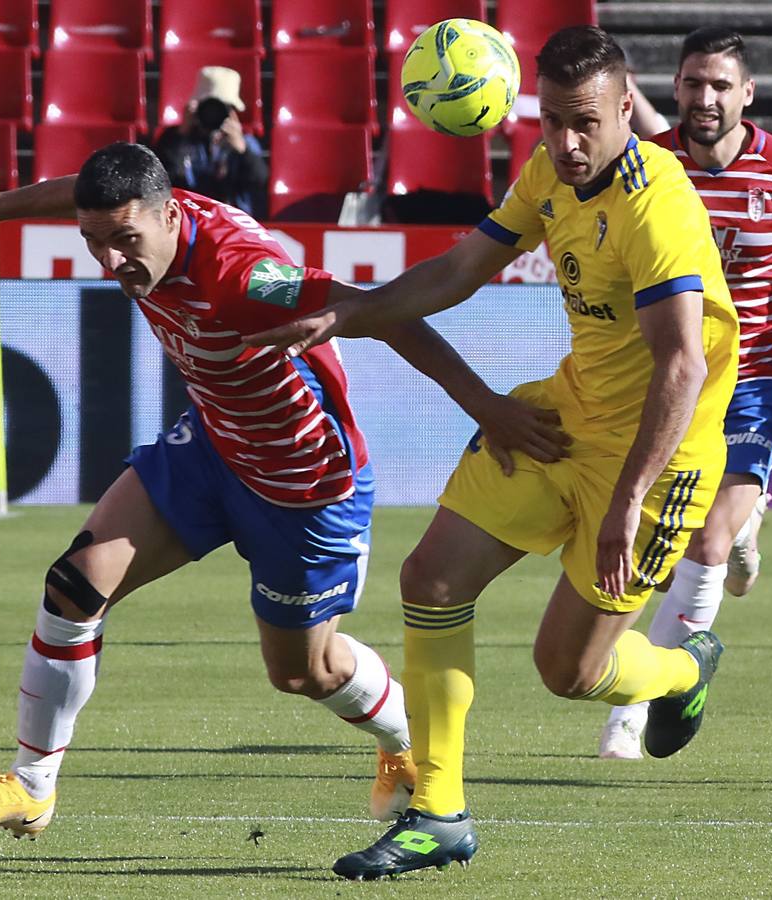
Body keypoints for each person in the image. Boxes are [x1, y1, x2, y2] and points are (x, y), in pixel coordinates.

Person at [245, 26, 740, 880]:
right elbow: (459, 270)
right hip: (564, 421)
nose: (565, 142)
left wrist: (627, 502)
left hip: (660, 463)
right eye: (550, 120)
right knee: (429, 579)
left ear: (628, 106)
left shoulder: (658, 202)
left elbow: (683, 366)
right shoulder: (551, 171)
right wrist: (347, 315)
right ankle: (438, 813)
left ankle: (681, 668)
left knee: (570, 672)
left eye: (584, 122)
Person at [0, 142, 439, 841]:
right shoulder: (138, 216)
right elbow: (79, 195)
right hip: (212, 447)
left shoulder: (247, 274)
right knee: (74, 585)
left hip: (303, 483)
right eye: (95, 242)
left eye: (125, 241)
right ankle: (31, 785)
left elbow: (382, 312)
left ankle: (404, 741)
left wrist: (492, 410)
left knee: (304, 672)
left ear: (170, 215)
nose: (112, 261)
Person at [599, 27, 772, 760]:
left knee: (704, 539)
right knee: (652, 541)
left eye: (721, 85)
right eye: (693, 84)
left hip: (751, 379)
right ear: (676, 90)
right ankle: (747, 526)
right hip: (664, 379)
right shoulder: (646, 167)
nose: (706, 98)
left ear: (747, 94)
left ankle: (631, 712)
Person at [152, 66, 268, 217]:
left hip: (231, 221)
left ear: (232, 112)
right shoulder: (174, 139)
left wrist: (242, 151)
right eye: (208, 107)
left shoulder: (244, 142)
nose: (213, 114)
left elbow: (259, 182)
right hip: (186, 217)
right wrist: (181, 136)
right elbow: (160, 180)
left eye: (221, 109)